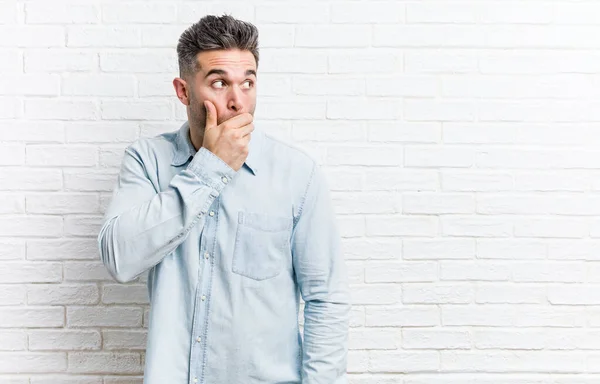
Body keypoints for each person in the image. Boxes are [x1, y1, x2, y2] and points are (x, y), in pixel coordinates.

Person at [97, 14, 351, 384]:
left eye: (247, 82)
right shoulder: (147, 162)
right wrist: (209, 168)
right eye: (219, 83)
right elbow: (119, 259)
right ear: (184, 91)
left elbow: (325, 299)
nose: (237, 101)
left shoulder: (298, 174)